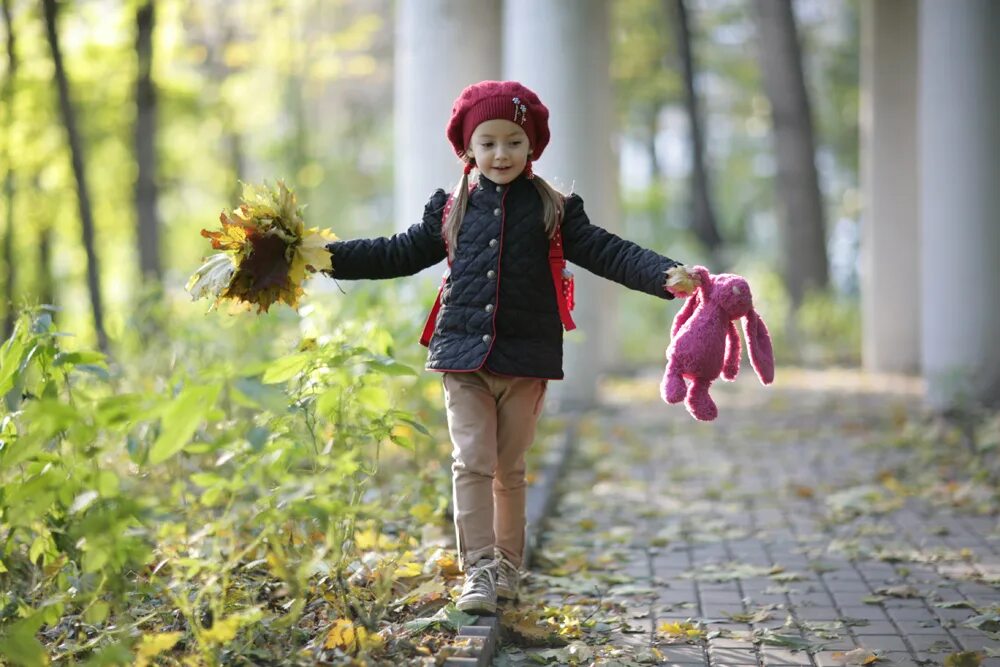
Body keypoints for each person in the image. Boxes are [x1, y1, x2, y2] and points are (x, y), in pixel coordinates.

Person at [325, 80, 698, 614]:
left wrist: (665, 275)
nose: (502, 153)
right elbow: (394, 254)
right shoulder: (452, 209)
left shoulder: (554, 208)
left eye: (514, 142)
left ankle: (506, 567)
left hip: (526, 359)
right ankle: (478, 569)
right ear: (469, 148)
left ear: (532, 146)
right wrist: (325, 256)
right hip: (462, 358)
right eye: (489, 142)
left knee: (509, 467)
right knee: (471, 460)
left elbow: (609, 252)